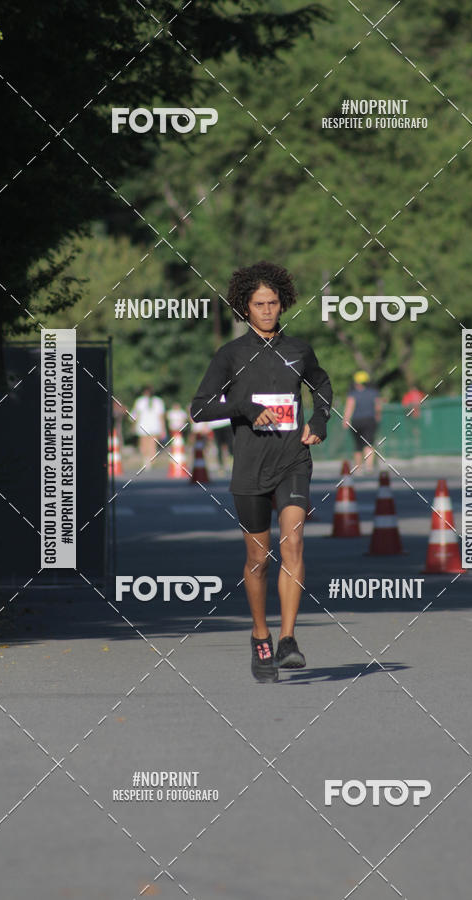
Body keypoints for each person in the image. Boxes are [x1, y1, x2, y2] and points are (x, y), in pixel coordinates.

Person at [191, 261, 332, 682]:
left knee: (294, 544)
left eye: (273, 303)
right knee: (258, 559)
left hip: (293, 461)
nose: (267, 311)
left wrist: (319, 420)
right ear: (245, 307)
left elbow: (323, 386)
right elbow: (199, 408)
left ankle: (288, 639)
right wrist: (245, 407)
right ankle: (260, 635)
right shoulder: (231, 355)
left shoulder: (299, 350)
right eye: (259, 304)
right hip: (250, 467)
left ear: (282, 304)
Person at [342, 371, 382, 474]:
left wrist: (346, 420)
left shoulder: (353, 394)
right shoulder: (374, 393)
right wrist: (377, 417)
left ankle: (358, 468)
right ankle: (369, 467)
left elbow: (349, 407)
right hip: (370, 420)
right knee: (368, 443)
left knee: (358, 445)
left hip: (356, 421)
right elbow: (378, 407)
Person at [130, 386, 166, 469]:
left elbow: (161, 416)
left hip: (151, 426)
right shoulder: (142, 401)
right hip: (146, 425)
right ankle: (147, 460)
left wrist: (163, 428)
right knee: (146, 444)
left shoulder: (156, 401)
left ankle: (149, 460)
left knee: (150, 444)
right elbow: (137, 415)